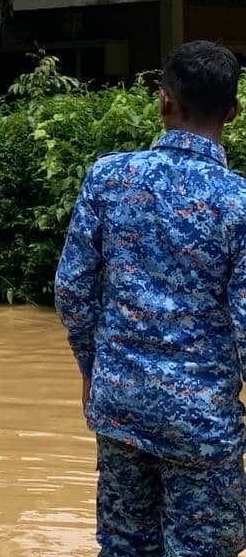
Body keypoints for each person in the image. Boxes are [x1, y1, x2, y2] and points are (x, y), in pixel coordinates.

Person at [55, 40, 246, 556]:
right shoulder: (239, 202)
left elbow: (71, 290)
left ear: (163, 100)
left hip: (119, 404)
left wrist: (94, 372)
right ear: (233, 111)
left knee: (123, 548)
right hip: (201, 420)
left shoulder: (108, 177)